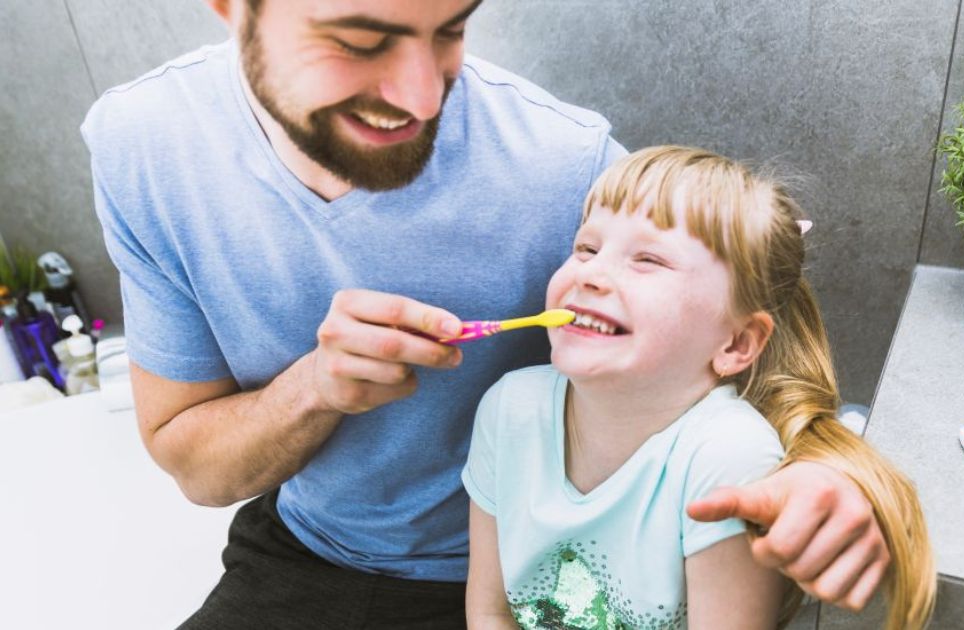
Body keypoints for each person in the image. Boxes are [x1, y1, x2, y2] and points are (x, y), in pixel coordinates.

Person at [81, 1, 894, 627]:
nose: (421, 95)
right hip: (306, 551)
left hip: (506, 566)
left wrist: (837, 477)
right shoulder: (142, 144)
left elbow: (755, 335)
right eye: (361, 41)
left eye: (450, 30)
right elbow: (195, 467)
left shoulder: (557, 160)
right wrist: (315, 388)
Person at [463, 146, 935, 630]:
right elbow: (488, 612)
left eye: (647, 259)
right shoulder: (509, 409)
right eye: (587, 247)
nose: (592, 273)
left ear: (736, 343)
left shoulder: (727, 458)